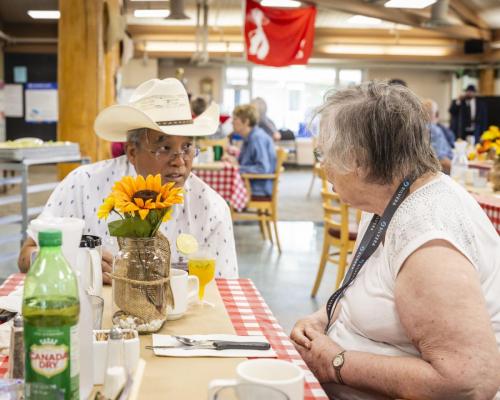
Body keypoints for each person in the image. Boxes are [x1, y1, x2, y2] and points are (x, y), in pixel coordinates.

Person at [291, 81, 500, 400]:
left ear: (358, 161)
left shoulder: (428, 238)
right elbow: (371, 291)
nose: (324, 167)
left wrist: (335, 362)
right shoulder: (385, 198)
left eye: (325, 154)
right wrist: (322, 319)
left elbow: (468, 382)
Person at [18, 78, 238, 282]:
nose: (179, 161)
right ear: (132, 151)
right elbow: (27, 256)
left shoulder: (211, 207)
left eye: (187, 147)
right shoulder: (82, 184)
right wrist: (81, 264)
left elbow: (225, 288)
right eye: (164, 147)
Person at [232, 104, 276, 197]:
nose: (232, 122)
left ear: (246, 122)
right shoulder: (250, 136)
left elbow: (263, 168)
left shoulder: (257, 138)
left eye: (235, 119)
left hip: (258, 187)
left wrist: (237, 169)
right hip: (252, 183)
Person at [422, 98, 453, 174]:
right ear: (433, 114)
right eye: (437, 113)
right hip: (443, 174)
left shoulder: (416, 129)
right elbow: (440, 160)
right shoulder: (433, 130)